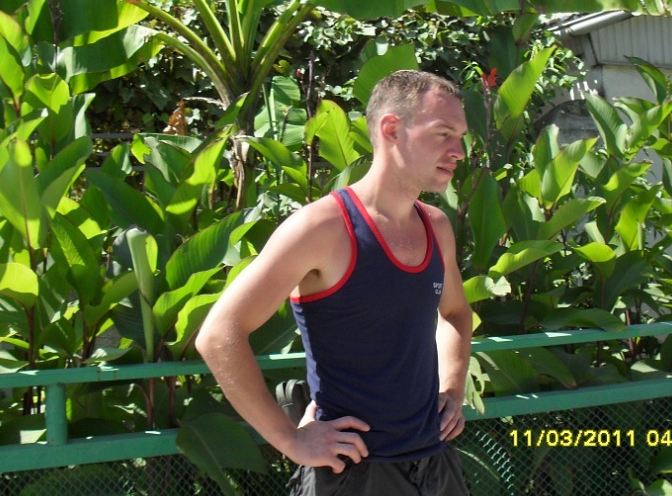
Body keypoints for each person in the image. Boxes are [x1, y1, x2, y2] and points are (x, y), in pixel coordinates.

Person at [196, 70, 474, 495]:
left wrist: (452, 389)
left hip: (434, 464)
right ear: (392, 130)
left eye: (460, 137)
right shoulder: (322, 227)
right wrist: (289, 440)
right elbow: (219, 335)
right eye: (443, 134)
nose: (458, 152)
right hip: (351, 472)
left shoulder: (436, 226)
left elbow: (454, 312)